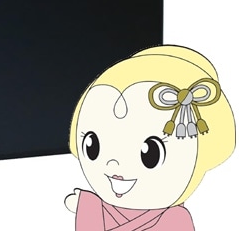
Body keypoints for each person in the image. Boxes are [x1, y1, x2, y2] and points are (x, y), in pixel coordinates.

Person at [64, 45, 235, 230]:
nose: (114, 163)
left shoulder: (175, 221)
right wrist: (86, 204)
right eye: (92, 146)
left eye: (150, 154)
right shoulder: (95, 207)